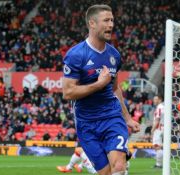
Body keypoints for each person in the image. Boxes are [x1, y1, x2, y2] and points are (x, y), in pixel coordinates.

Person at [62, 4, 140, 175]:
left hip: (111, 117)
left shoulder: (114, 55)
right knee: (105, 172)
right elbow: (68, 93)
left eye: (112, 20)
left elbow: (115, 89)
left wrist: (127, 118)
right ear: (92, 23)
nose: (111, 25)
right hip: (86, 123)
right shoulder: (76, 55)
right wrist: (98, 84)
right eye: (106, 20)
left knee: (119, 166)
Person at [151, 94, 164, 168]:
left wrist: (152, 130)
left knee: (156, 146)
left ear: (160, 99)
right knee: (158, 146)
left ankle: (159, 164)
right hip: (162, 128)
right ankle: (159, 163)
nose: (154, 101)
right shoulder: (163, 107)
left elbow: (157, 120)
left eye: (155, 99)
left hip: (158, 128)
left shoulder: (159, 108)